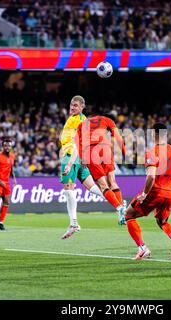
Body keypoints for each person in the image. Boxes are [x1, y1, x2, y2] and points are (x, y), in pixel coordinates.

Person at [124, 123, 171, 260]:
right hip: (170, 192)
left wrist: (144, 194)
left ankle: (142, 248)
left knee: (128, 215)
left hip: (155, 192)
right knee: (162, 221)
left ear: (154, 135)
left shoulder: (152, 152)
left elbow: (151, 176)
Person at [59, 95, 105, 239]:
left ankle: (73, 223)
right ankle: (116, 201)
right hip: (78, 156)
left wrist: (70, 162)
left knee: (68, 189)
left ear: (82, 107)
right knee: (92, 187)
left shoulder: (80, 120)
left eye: (76, 106)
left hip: (71, 156)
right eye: (72, 105)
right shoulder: (75, 118)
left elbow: (79, 142)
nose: (73, 107)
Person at [75, 112, 127, 225]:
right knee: (112, 181)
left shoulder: (81, 125)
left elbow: (78, 143)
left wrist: (82, 158)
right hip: (105, 148)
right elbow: (118, 136)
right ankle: (121, 212)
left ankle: (119, 208)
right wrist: (124, 152)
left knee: (103, 185)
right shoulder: (106, 120)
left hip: (90, 151)